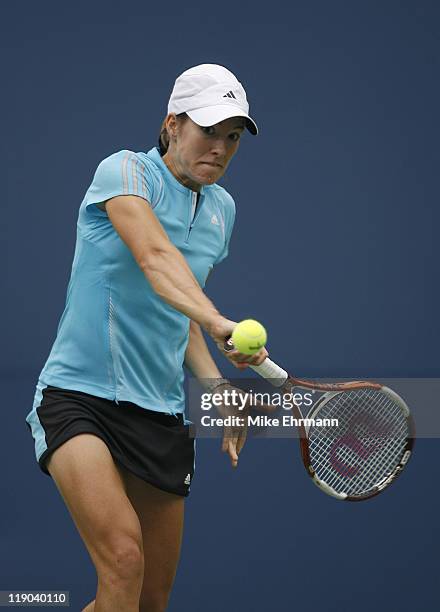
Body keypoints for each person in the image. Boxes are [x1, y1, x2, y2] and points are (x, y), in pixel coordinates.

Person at [25, 63, 268, 612]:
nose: (222, 148)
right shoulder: (125, 173)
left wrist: (214, 384)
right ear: (172, 125)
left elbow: (176, 307)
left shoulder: (221, 211)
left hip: (158, 414)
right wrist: (220, 322)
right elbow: (156, 261)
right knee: (122, 561)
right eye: (209, 131)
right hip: (78, 397)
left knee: (149, 601)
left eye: (233, 137)